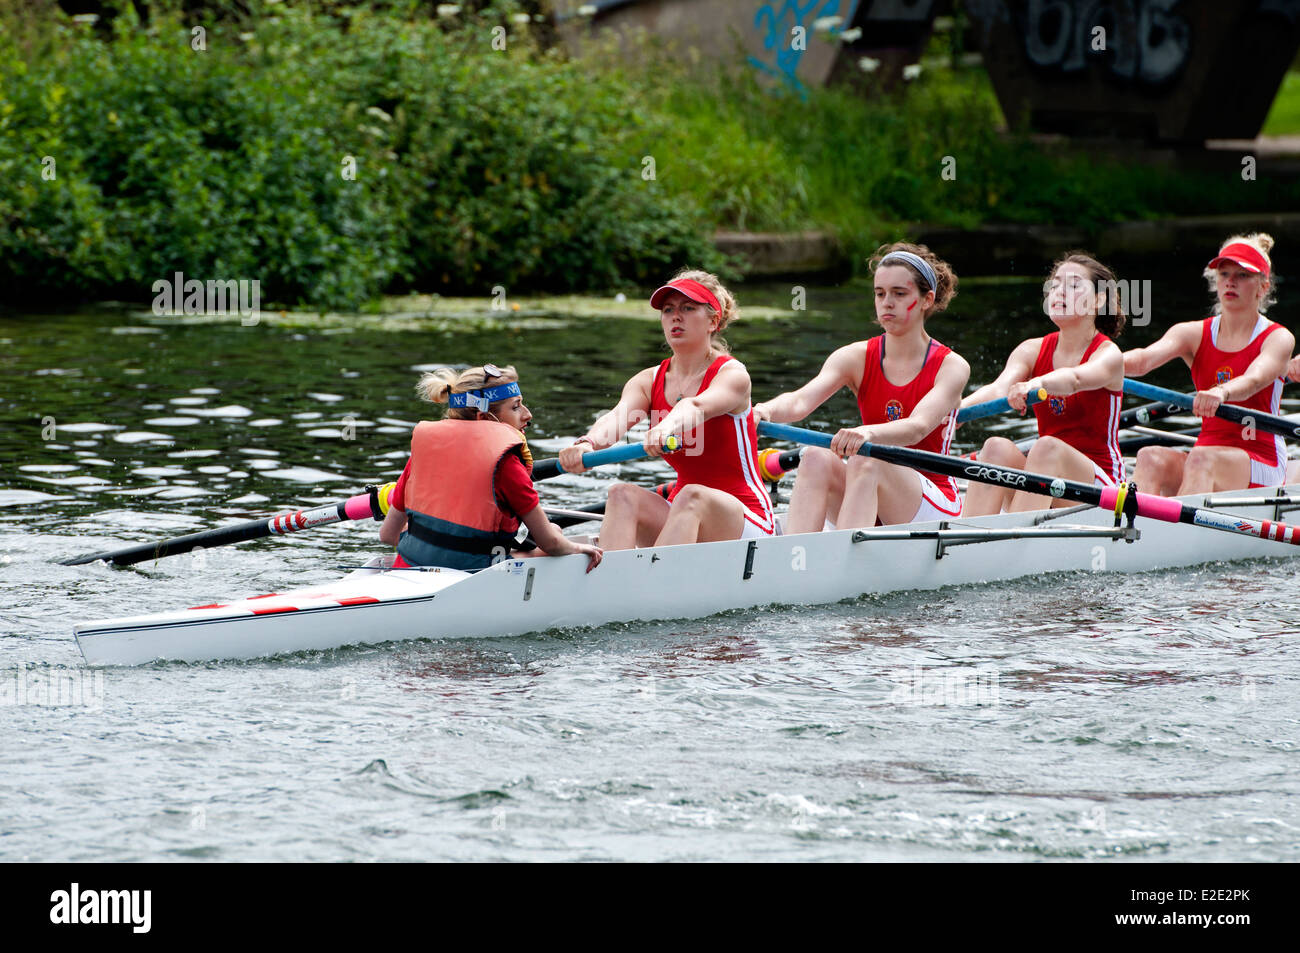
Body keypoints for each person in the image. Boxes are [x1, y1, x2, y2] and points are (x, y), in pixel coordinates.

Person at [754, 242, 969, 532]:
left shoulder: (952, 366)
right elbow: (798, 403)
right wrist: (763, 410)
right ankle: (796, 557)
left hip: (932, 500)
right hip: (870, 481)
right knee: (815, 457)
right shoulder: (854, 357)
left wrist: (867, 432)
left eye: (899, 293)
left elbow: (918, 426)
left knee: (866, 460)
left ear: (926, 299)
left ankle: (842, 561)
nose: (886, 303)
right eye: (880, 294)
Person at [557, 269, 775, 548]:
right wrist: (587, 444)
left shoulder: (733, 374)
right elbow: (616, 418)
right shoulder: (648, 380)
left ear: (713, 321)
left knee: (692, 496)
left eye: (688, 308)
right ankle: (610, 583)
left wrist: (665, 427)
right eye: (668, 309)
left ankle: (651, 583)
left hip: (746, 515)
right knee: (621, 494)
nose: (675, 317)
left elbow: (695, 406)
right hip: (683, 508)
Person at [379, 364, 602, 572]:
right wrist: (578, 549)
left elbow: (388, 534)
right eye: (516, 407)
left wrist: (431, 549)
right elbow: (551, 543)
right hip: (476, 576)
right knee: (555, 531)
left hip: (409, 567)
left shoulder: (424, 453)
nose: (527, 414)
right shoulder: (506, 465)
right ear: (484, 417)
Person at [1124, 233, 1294, 495]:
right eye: (1225, 274)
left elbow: (1254, 380)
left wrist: (1221, 391)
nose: (1231, 282)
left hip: (1261, 460)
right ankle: (1135, 534)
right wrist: (1087, 365)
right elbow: (1141, 361)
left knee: (1202, 460)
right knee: (1149, 457)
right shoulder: (1191, 333)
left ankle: (1173, 533)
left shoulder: (1278, 338)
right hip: (1205, 456)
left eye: (1243, 275)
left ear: (1263, 286)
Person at [959, 253, 1126, 515]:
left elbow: (1075, 379)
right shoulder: (1032, 349)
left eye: (1073, 285)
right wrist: (955, 412)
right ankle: (967, 538)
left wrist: (1034, 384)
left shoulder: (1108, 355)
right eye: (1056, 284)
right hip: (1048, 476)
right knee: (995, 448)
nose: (1060, 291)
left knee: (1047, 447)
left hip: (1102, 489)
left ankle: (1014, 538)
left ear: (1098, 300)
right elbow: (998, 389)